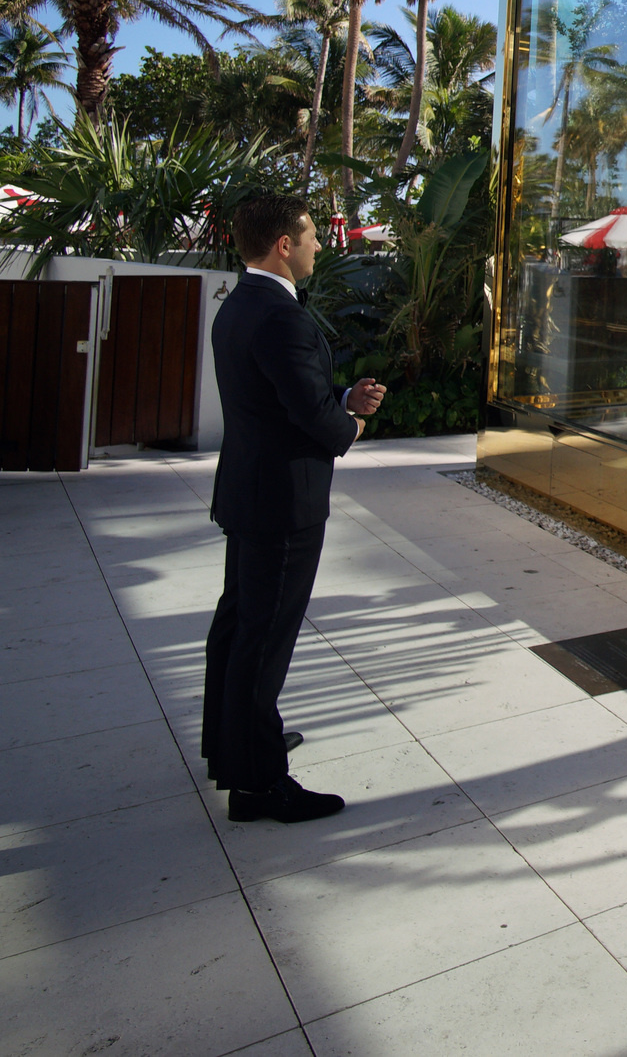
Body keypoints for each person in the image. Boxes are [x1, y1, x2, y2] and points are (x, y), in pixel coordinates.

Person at [201, 194, 386, 823]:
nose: (317, 246)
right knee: (264, 635)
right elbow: (311, 418)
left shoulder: (240, 305)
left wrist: (339, 392)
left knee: (239, 623)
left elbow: (280, 392)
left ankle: (230, 745)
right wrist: (350, 422)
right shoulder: (280, 316)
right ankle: (256, 785)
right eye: (309, 236)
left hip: (249, 492)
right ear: (284, 243)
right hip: (281, 502)